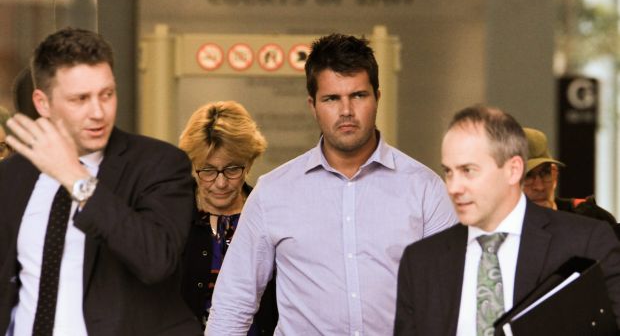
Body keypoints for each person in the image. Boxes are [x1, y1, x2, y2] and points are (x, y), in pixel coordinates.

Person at [206, 33, 458, 335]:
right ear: (313, 105)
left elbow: (452, 299)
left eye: (358, 95)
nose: (347, 111)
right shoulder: (273, 192)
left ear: (377, 96)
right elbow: (234, 302)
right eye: (332, 99)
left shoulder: (424, 190)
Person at [0, 27, 201, 335]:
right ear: (42, 103)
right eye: (80, 99)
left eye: (106, 94)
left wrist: (74, 177)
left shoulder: (159, 164)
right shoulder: (12, 176)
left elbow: (156, 260)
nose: (98, 112)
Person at [394, 105, 620, 335]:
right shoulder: (421, 262)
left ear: (513, 170)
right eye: (449, 172)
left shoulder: (586, 243)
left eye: (468, 171)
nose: (453, 187)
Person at [178, 100, 277, 333]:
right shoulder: (173, 215)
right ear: (193, 164)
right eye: (208, 170)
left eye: (232, 169)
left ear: (249, 162)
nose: (221, 183)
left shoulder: (269, 215)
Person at [522, 127, 617, 227]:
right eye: (527, 176)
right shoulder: (505, 228)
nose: (539, 187)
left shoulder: (591, 218)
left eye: (546, 173)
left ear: (555, 174)